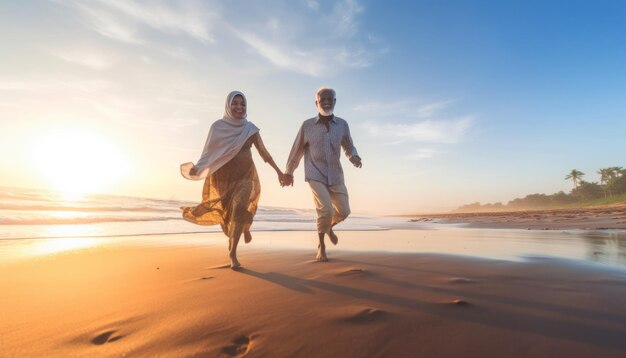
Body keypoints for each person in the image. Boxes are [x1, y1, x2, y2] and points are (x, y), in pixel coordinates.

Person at [180, 91, 287, 268]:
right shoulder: (217, 127)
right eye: (235, 103)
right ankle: (244, 227)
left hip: (245, 176)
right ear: (228, 106)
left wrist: (279, 172)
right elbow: (208, 153)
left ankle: (233, 253)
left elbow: (263, 153)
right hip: (222, 179)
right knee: (226, 216)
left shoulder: (250, 129)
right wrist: (197, 169)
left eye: (242, 104)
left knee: (239, 208)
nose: (239, 107)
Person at [283, 87, 362, 261]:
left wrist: (354, 156)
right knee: (325, 209)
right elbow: (296, 151)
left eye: (330, 99)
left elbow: (348, 146)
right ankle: (321, 246)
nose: (326, 101)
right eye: (322, 99)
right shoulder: (307, 126)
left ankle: (328, 227)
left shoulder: (342, 124)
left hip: (336, 174)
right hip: (315, 173)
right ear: (316, 102)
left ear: (335, 102)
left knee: (344, 211)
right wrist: (289, 172)